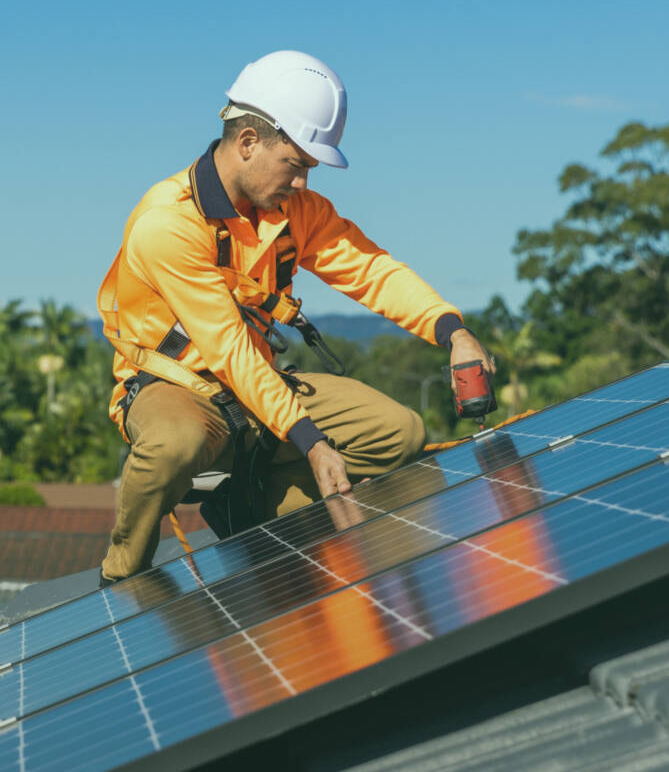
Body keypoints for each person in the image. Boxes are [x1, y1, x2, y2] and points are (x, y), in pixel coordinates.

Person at [97, 50, 493, 584]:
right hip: (178, 388)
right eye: (298, 163)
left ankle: (251, 511)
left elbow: (372, 271)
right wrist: (309, 440)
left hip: (258, 387)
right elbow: (228, 348)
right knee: (175, 447)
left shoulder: (294, 213)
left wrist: (453, 331)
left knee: (399, 434)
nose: (304, 182)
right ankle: (121, 580)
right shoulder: (167, 224)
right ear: (248, 143)